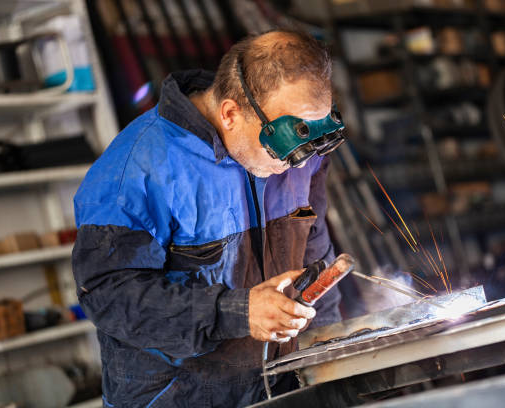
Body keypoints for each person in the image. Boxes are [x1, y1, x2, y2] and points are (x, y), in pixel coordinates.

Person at [72, 29, 343, 407]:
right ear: (231, 113)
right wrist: (237, 312)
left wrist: (331, 350)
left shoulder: (300, 158)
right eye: (282, 148)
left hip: (280, 389)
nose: (293, 166)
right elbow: (108, 295)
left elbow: (314, 247)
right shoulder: (138, 170)